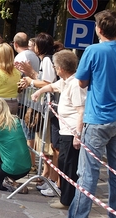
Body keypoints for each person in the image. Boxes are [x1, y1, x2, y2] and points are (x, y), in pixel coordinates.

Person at [51, 10, 116, 218]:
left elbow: (80, 82)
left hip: (97, 117)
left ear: (99, 29)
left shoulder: (93, 50)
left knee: (87, 173)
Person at [31, 50, 86, 209]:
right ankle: (66, 197)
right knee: (64, 163)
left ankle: (67, 200)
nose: (54, 69)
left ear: (61, 68)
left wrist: (77, 134)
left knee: (69, 166)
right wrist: (40, 91)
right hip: (66, 131)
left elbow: (80, 110)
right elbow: (54, 86)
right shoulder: (67, 81)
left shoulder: (75, 84)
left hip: (71, 132)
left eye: (55, 66)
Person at [17, 32, 62, 196]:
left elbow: (48, 82)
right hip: (46, 109)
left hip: (50, 110)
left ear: (39, 46)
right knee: (47, 145)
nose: (32, 47)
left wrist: (31, 79)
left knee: (51, 146)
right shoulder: (46, 60)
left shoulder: (48, 60)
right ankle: (47, 176)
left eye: (34, 44)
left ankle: (53, 179)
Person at [13, 32, 40, 173]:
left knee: (26, 133)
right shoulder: (34, 55)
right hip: (34, 99)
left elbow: (18, 79)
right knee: (30, 133)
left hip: (25, 99)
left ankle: (30, 163)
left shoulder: (20, 57)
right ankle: (31, 162)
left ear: (15, 44)